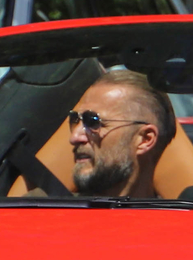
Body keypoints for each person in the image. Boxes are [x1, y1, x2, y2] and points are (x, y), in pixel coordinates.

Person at [66, 67, 174, 197]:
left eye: (93, 122)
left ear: (145, 139)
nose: (75, 137)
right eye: (75, 120)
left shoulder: (174, 216)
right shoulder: (43, 211)